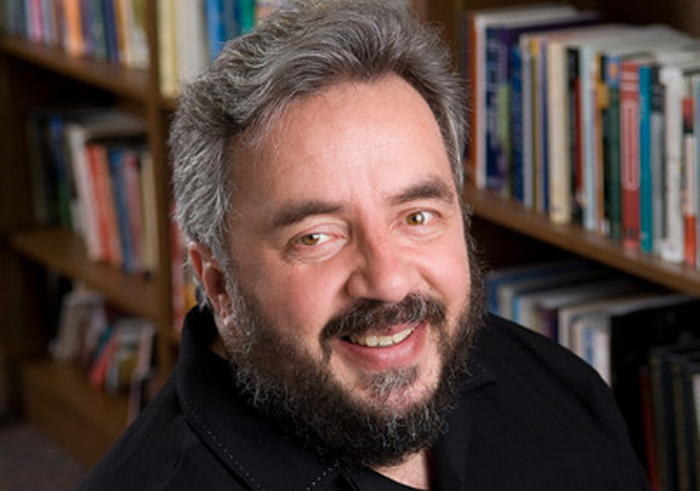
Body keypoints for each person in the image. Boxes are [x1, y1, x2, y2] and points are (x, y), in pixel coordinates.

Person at [78, 1, 650, 489]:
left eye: (417, 216)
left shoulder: (560, 389)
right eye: (316, 237)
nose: (389, 281)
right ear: (220, 285)